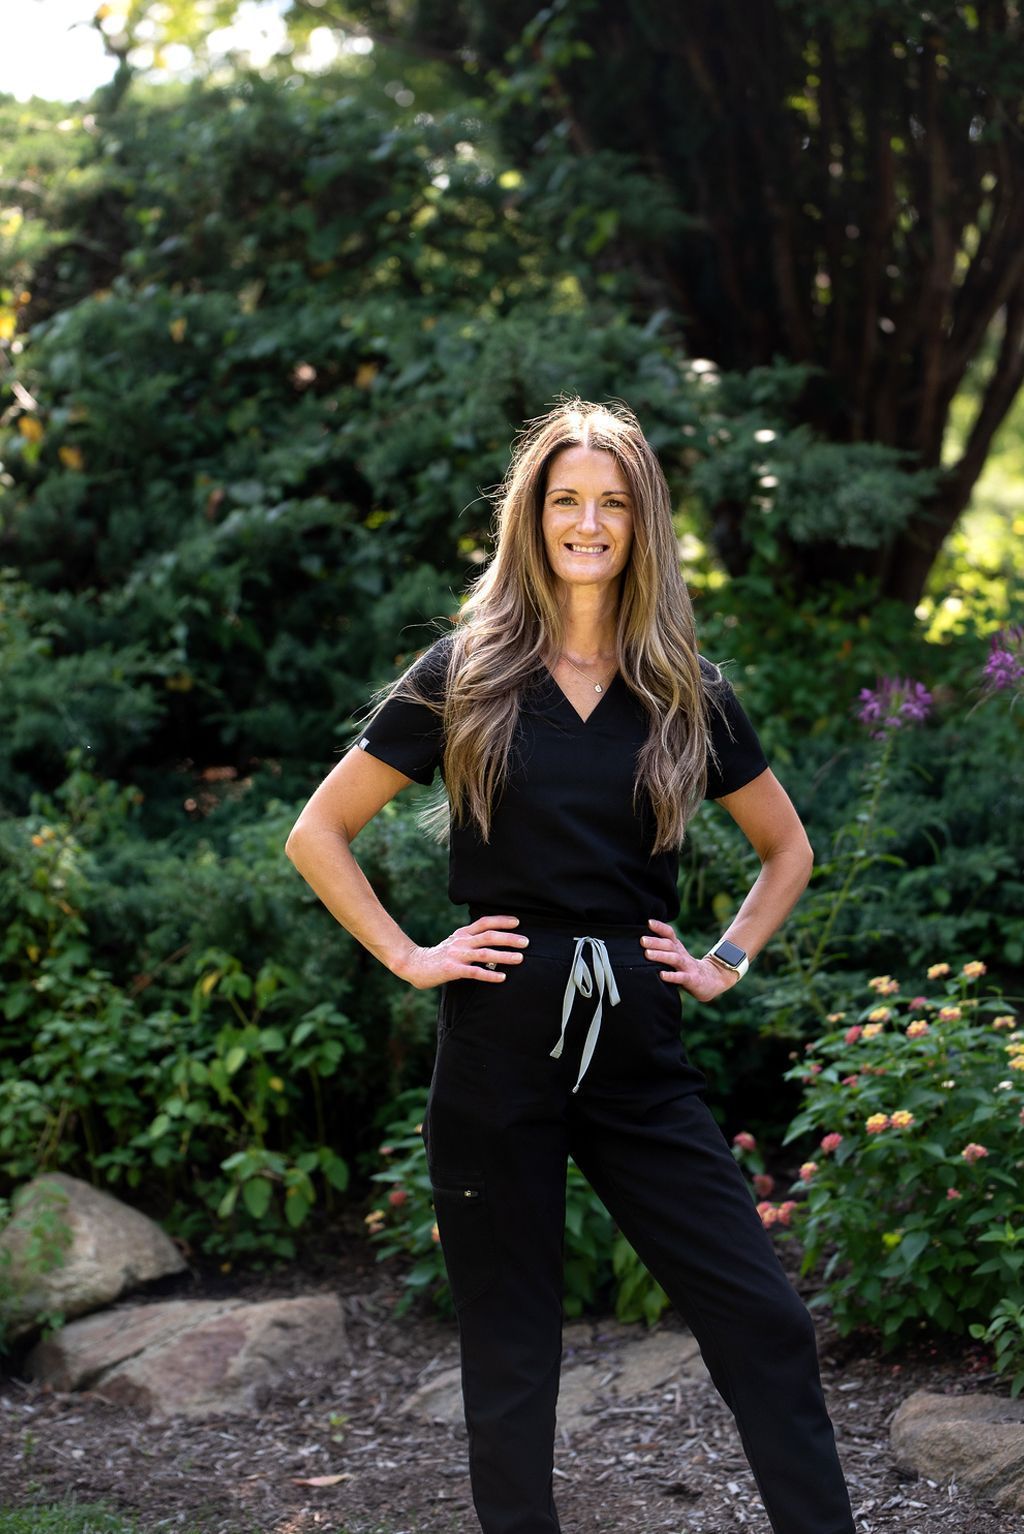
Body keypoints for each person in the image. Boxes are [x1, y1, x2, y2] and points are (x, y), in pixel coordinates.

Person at [285, 398, 857, 1534]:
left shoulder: (684, 685)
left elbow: (787, 848)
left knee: (763, 1320)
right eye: (565, 501)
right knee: (510, 1356)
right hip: (496, 1049)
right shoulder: (469, 669)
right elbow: (316, 831)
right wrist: (409, 952)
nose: (587, 522)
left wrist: (726, 957)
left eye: (610, 503)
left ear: (640, 524)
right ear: (533, 518)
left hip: (639, 1052)